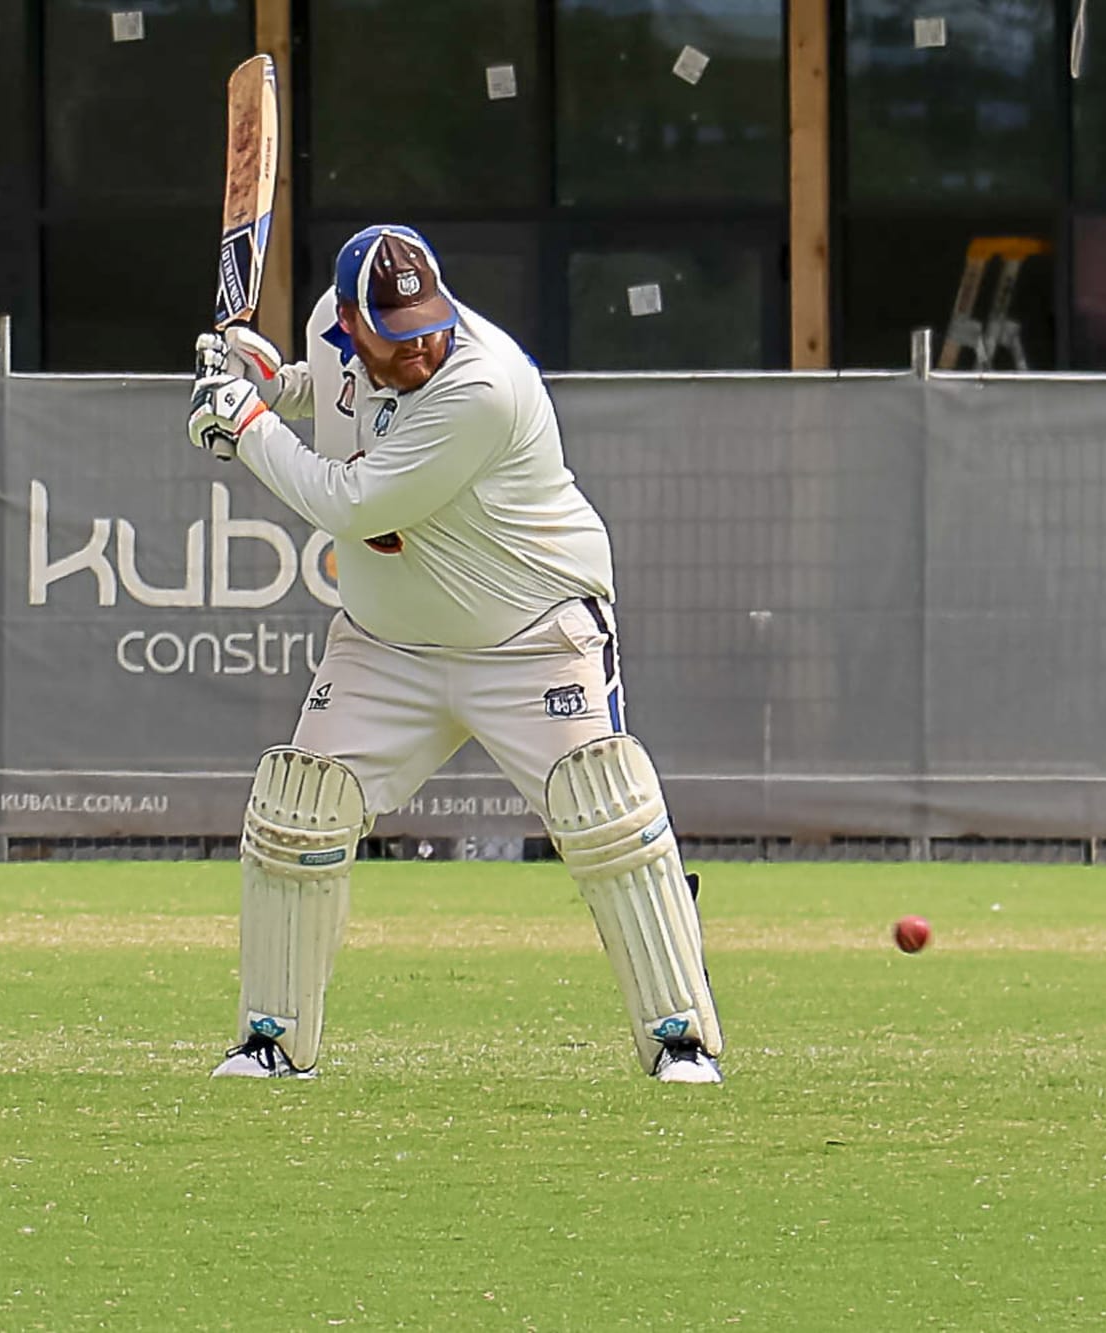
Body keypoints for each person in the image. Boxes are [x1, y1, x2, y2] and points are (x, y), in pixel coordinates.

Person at [186, 226, 724, 1084]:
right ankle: (271, 1042)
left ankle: (681, 1040)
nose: (422, 344)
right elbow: (327, 394)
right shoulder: (338, 325)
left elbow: (350, 501)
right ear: (353, 323)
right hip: (385, 644)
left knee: (606, 815)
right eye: (397, 334)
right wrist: (270, 386)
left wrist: (245, 427)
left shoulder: (482, 385)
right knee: (299, 808)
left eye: (431, 322)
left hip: (531, 636)